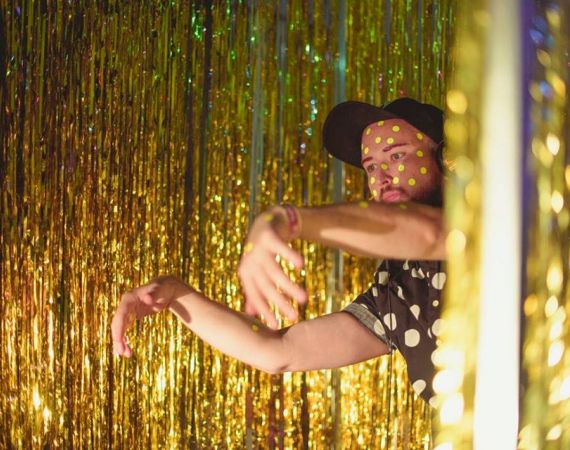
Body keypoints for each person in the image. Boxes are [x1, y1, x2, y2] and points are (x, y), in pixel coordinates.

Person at [111, 97, 447, 405]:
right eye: (371, 166)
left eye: (397, 155)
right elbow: (278, 351)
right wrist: (175, 295)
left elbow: (428, 231)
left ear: (446, 158)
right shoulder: (399, 288)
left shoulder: (485, 223)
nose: (381, 177)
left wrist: (288, 219)